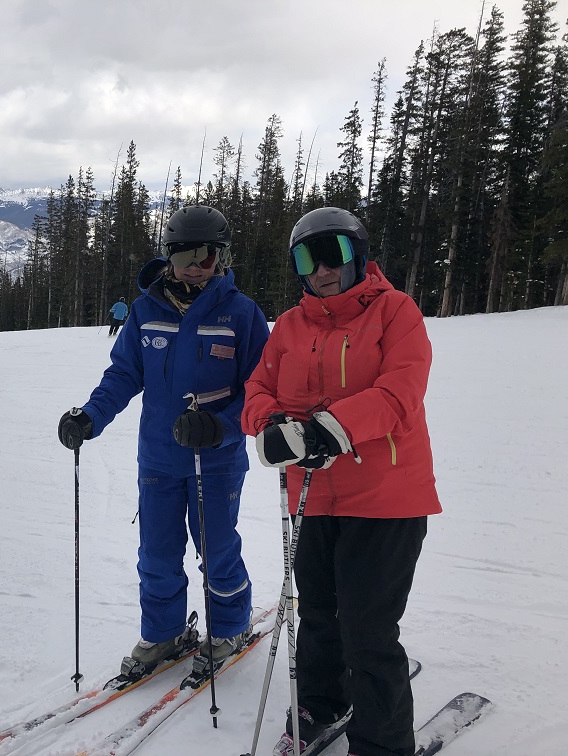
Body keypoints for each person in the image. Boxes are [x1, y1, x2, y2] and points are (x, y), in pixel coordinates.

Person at [241, 207, 442, 756]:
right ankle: (322, 701)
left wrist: (331, 429)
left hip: (386, 499)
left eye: (335, 253)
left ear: (359, 254)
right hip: (311, 497)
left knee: (368, 631)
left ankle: (381, 743)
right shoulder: (288, 327)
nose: (323, 268)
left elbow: (401, 394)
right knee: (318, 614)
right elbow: (257, 389)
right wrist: (270, 424)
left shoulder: (396, 313)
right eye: (308, 257)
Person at [58, 205, 270, 676]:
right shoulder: (145, 310)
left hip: (215, 462)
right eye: (183, 255)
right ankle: (164, 632)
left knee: (216, 550)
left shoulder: (241, 314)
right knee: (156, 553)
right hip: (158, 458)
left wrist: (222, 426)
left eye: (207, 256)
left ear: (223, 258)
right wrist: (89, 417)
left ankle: (231, 625)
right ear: (167, 257)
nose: (195, 265)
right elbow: (124, 374)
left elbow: (261, 389)